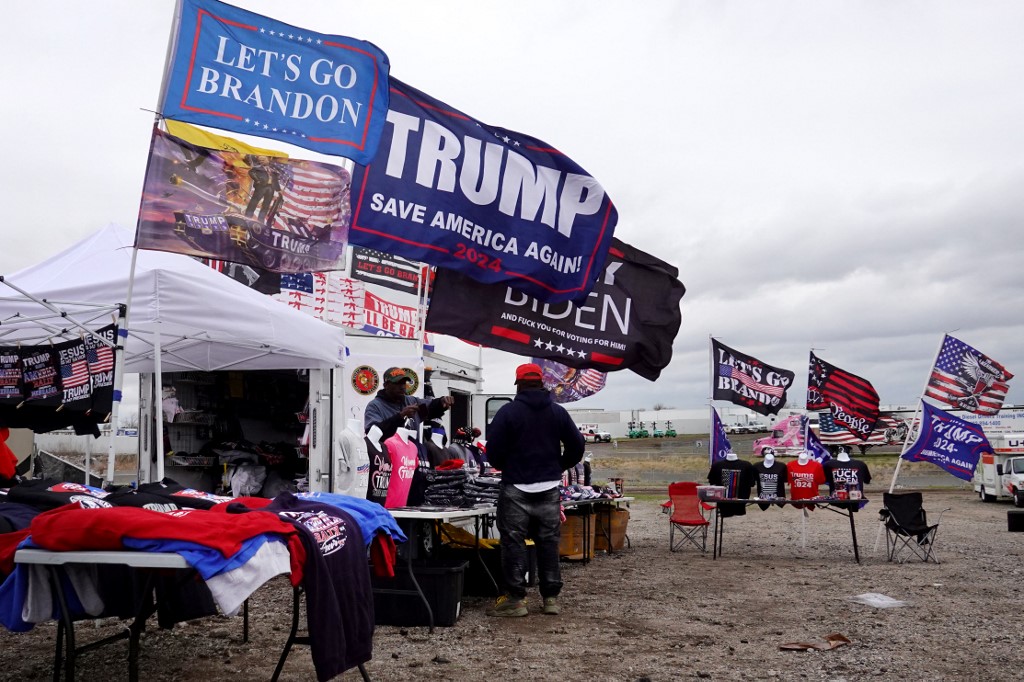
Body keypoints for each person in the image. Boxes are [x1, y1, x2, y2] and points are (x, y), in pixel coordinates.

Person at [484, 363, 585, 618]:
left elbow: (493, 451)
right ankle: (550, 599)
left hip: (516, 486)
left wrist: (507, 466)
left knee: (513, 542)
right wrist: (558, 466)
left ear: (518, 384)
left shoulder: (508, 413)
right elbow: (577, 444)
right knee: (548, 542)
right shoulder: (557, 412)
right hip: (549, 486)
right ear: (542, 384)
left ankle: (516, 601)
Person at [363, 367, 453, 441]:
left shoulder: (411, 401)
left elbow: (430, 408)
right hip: (389, 459)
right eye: (398, 383)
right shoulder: (375, 406)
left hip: (411, 458)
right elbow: (372, 433)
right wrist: (400, 416)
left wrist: (441, 402)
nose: (402, 387)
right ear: (386, 385)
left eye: (404, 383)